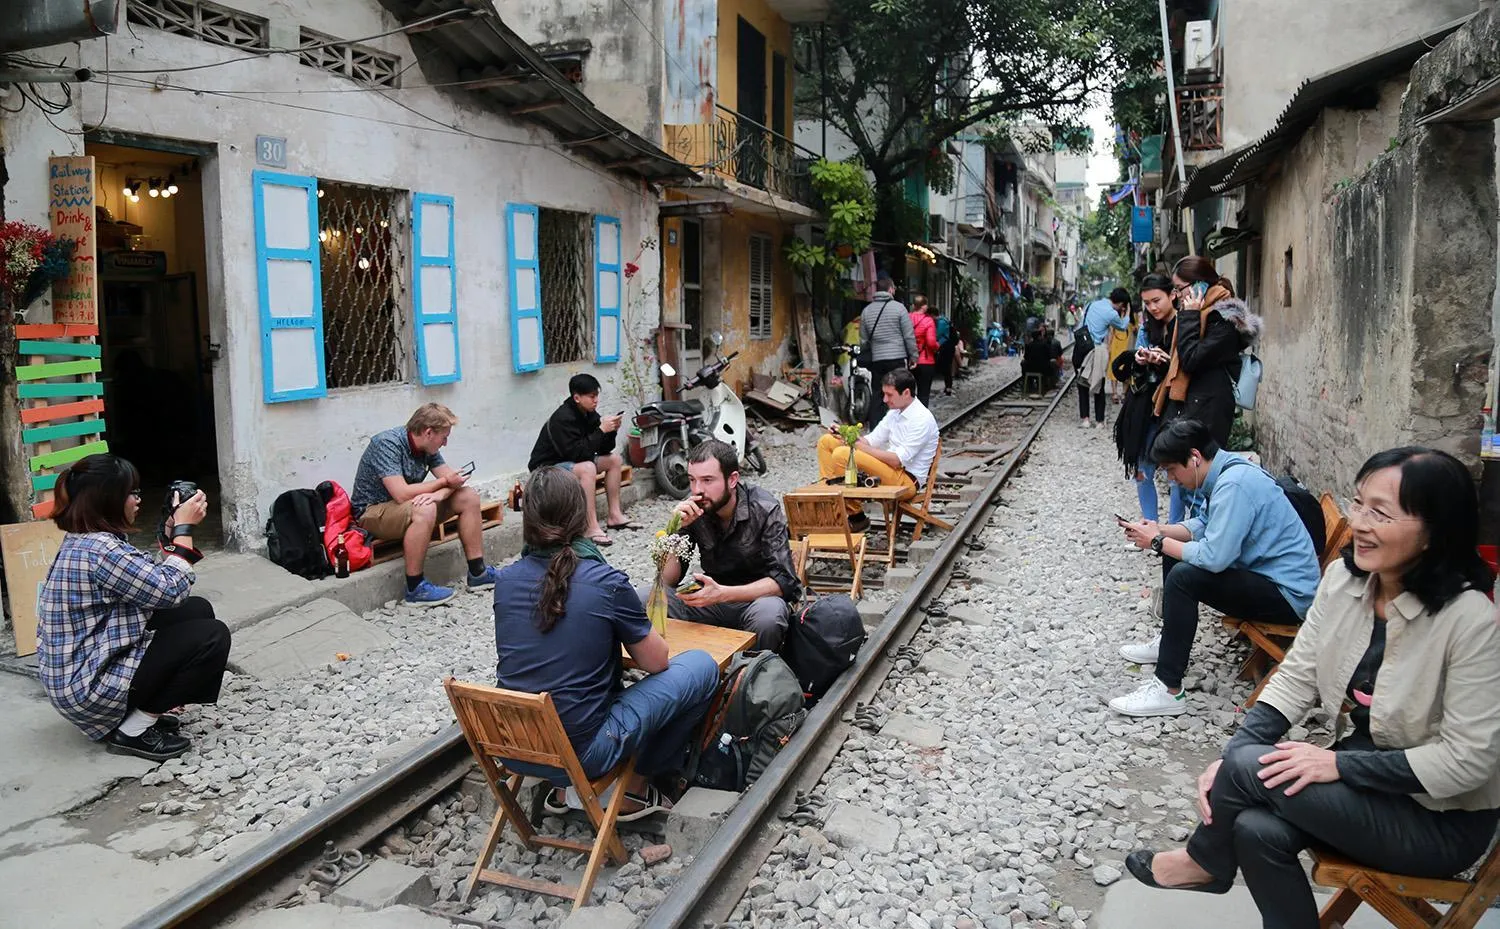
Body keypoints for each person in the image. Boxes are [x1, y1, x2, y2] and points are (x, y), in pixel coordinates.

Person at [1126, 447, 1500, 929]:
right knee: (1254, 826)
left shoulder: (1470, 621)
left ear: (1435, 530)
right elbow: (1298, 674)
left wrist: (1337, 764)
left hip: (1435, 818)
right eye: (1359, 504)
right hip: (1365, 786)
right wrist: (1234, 760)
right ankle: (1221, 867)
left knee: (1245, 770)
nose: (1361, 523)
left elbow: (1468, 761)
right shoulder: (1347, 580)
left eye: (1380, 513)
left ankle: (1204, 861)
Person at [494, 468, 718, 819]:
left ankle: (562, 790)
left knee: (558, 677)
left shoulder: (505, 581)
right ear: (581, 515)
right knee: (701, 667)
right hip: (584, 754)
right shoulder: (604, 581)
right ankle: (635, 789)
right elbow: (657, 663)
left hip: (513, 746)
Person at [1111, 419, 1320, 717]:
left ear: (1194, 457)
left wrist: (1157, 541)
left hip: (1287, 596)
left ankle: (1168, 689)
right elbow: (1205, 524)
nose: (1172, 479)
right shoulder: (1227, 470)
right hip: (1269, 578)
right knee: (1176, 551)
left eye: (1172, 470)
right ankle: (1170, 640)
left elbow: (1214, 558)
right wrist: (1162, 530)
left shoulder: (1234, 485)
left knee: (1183, 575)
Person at [36, 454, 231, 761]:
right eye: (132, 492)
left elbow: (147, 583)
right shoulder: (100, 549)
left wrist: (171, 529)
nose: (138, 500)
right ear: (108, 499)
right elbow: (169, 590)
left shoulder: (89, 540)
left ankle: (141, 707)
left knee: (196, 610)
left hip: (81, 675)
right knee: (211, 636)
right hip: (88, 689)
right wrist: (183, 531)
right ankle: (134, 730)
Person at [642, 439, 800, 651]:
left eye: (707, 480)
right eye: (692, 480)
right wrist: (674, 531)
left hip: (755, 600)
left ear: (732, 479)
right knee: (643, 596)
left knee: (768, 616)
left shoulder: (763, 508)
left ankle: (750, 673)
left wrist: (723, 593)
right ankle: (678, 667)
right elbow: (668, 579)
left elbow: (785, 582)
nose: (698, 490)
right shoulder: (695, 509)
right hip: (710, 602)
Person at [351, 403, 499, 607]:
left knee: (469, 497)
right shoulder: (386, 443)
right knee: (425, 508)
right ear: (429, 432)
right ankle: (415, 588)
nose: (445, 443)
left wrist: (440, 493)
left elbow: (453, 480)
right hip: (372, 512)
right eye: (444, 437)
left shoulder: (427, 446)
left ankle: (478, 572)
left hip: (406, 507)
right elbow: (401, 493)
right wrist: (443, 485)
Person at [1156, 256, 1262, 447]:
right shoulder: (1201, 313)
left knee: (1199, 470)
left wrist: (1189, 315)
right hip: (1194, 403)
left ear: (1199, 284)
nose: (1177, 295)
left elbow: (1191, 359)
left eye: (1180, 288)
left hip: (1209, 407)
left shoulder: (1224, 319)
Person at [816, 368, 939, 524]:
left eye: (889, 395)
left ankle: (855, 516)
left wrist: (858, 447)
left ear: (906, 393)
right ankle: (826, 505)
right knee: (826, 442)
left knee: (842, 455)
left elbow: (896, 460)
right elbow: (871, 440)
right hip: (890, 470)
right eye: (884, 394)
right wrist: (844, 434)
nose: (885, 400)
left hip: (906, 480)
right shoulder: (895, 412)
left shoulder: (922, 419)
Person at [528, 373, 638, 546]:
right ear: (577, 397)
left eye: (597, 396)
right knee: (587, 468)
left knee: (614, 460)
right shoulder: (563, 418)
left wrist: (611, 430)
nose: (596, 401)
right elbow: (577, 454)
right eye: (592, 397)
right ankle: (590, 527)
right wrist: (601, 430)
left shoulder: (588, 413)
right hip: (546, 470)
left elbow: (603, 449)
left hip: (571, 463)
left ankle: (615, 515)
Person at [1113, 274, 1184, 525]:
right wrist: (1140, 360)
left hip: (1175, 409)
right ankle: (1150, 526)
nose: (1153, 307)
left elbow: (1189, 363)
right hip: (1147, 409)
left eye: (1157, 300)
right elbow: (1136, 372)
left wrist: (1168, 361)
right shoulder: (1145, 328)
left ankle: (1175, 529)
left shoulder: (1185, 324)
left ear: (1172, 295)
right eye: (1147, 303)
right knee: (1142, 471)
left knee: (1177, 476)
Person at [858, 277, 916, 424]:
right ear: (890, 289)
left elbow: (864, 340)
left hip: (877, 360)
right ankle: (900, 426)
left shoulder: (866, 311)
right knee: (900, 393)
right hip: (897, 359)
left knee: (878, 394)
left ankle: (876, 430)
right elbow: (908, 336)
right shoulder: (899, 308)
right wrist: (914, 356)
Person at [1077, 288, 1131, 428]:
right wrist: (1128, 312)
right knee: (1098, 384)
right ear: (1121, 304)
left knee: (1082, 383)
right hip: (1096, 350)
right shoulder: (1112, 313)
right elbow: (1123, 326)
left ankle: (1085, 419)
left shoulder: (1094, 304)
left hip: (1083, 347)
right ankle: (1100, 421)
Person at [908, 294, 940, 406]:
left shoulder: (906, 318)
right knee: (923, 393)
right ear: (924, 306)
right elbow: (931, 342)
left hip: (909, 360)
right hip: (925, 360)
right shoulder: (928, 321)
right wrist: (937, 346)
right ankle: (921, 419)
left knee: (908, 394)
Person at [935, 309, 957, 396]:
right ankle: (948, 387)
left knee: (946, 368)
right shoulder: (945, 320)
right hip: (948, 346)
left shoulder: (941, 323)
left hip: (946, 347)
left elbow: (937, 335)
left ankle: (948, 388)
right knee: (946, 367)